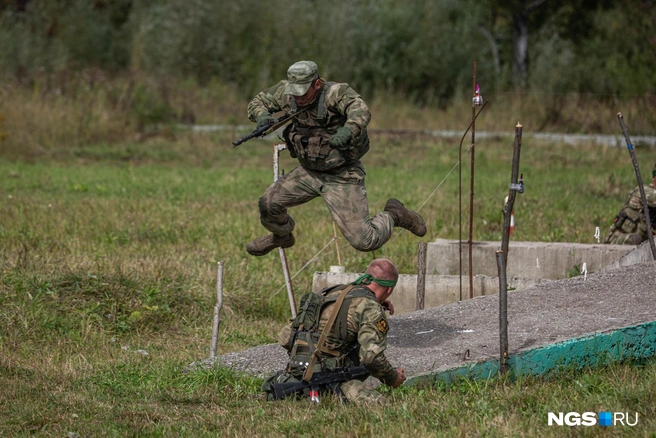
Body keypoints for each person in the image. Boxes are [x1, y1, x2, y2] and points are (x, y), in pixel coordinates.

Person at [245, 60, 426, 256]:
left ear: (316, 84)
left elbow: (360, 110)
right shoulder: (286, 92)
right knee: (268, 203)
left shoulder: (336, 92)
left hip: (342, 174)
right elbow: (257, 102)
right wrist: (261, 116)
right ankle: (282, 236)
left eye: (303, 92)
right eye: (295, 93)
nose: (299, 98)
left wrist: (349, 130)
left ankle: (394, 214)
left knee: (365, 241)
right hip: (309, 172)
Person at [263, 258, 406, 404]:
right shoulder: (370, 308)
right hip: (331, 380)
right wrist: (392, 378)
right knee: (384, 405)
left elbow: (285, 338)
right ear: (389, 289)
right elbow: (371, 358)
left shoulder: (332, 292)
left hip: (292, 375)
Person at [604, 162, 656, 245]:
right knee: (635, 239)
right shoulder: (644, 191)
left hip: (641, 248)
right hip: (618, 242)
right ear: (654, 178)